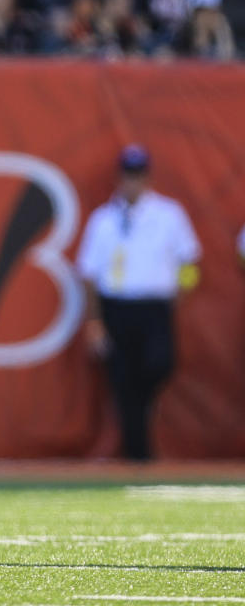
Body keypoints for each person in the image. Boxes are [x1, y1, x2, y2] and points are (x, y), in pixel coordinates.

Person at [76, 143, 201, 461]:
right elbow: (89, 274)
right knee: (121, 382)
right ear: (120, 178)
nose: (133, 182)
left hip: (155, 307)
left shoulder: (168, 214)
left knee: (159, 364)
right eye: (128, 175)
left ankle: (143, 418)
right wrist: (95, 322)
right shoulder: (103, 220)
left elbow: (190, 263)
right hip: (116, 307)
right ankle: (138, 458)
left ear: (147, 178)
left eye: (138, 175)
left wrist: (179, 294)